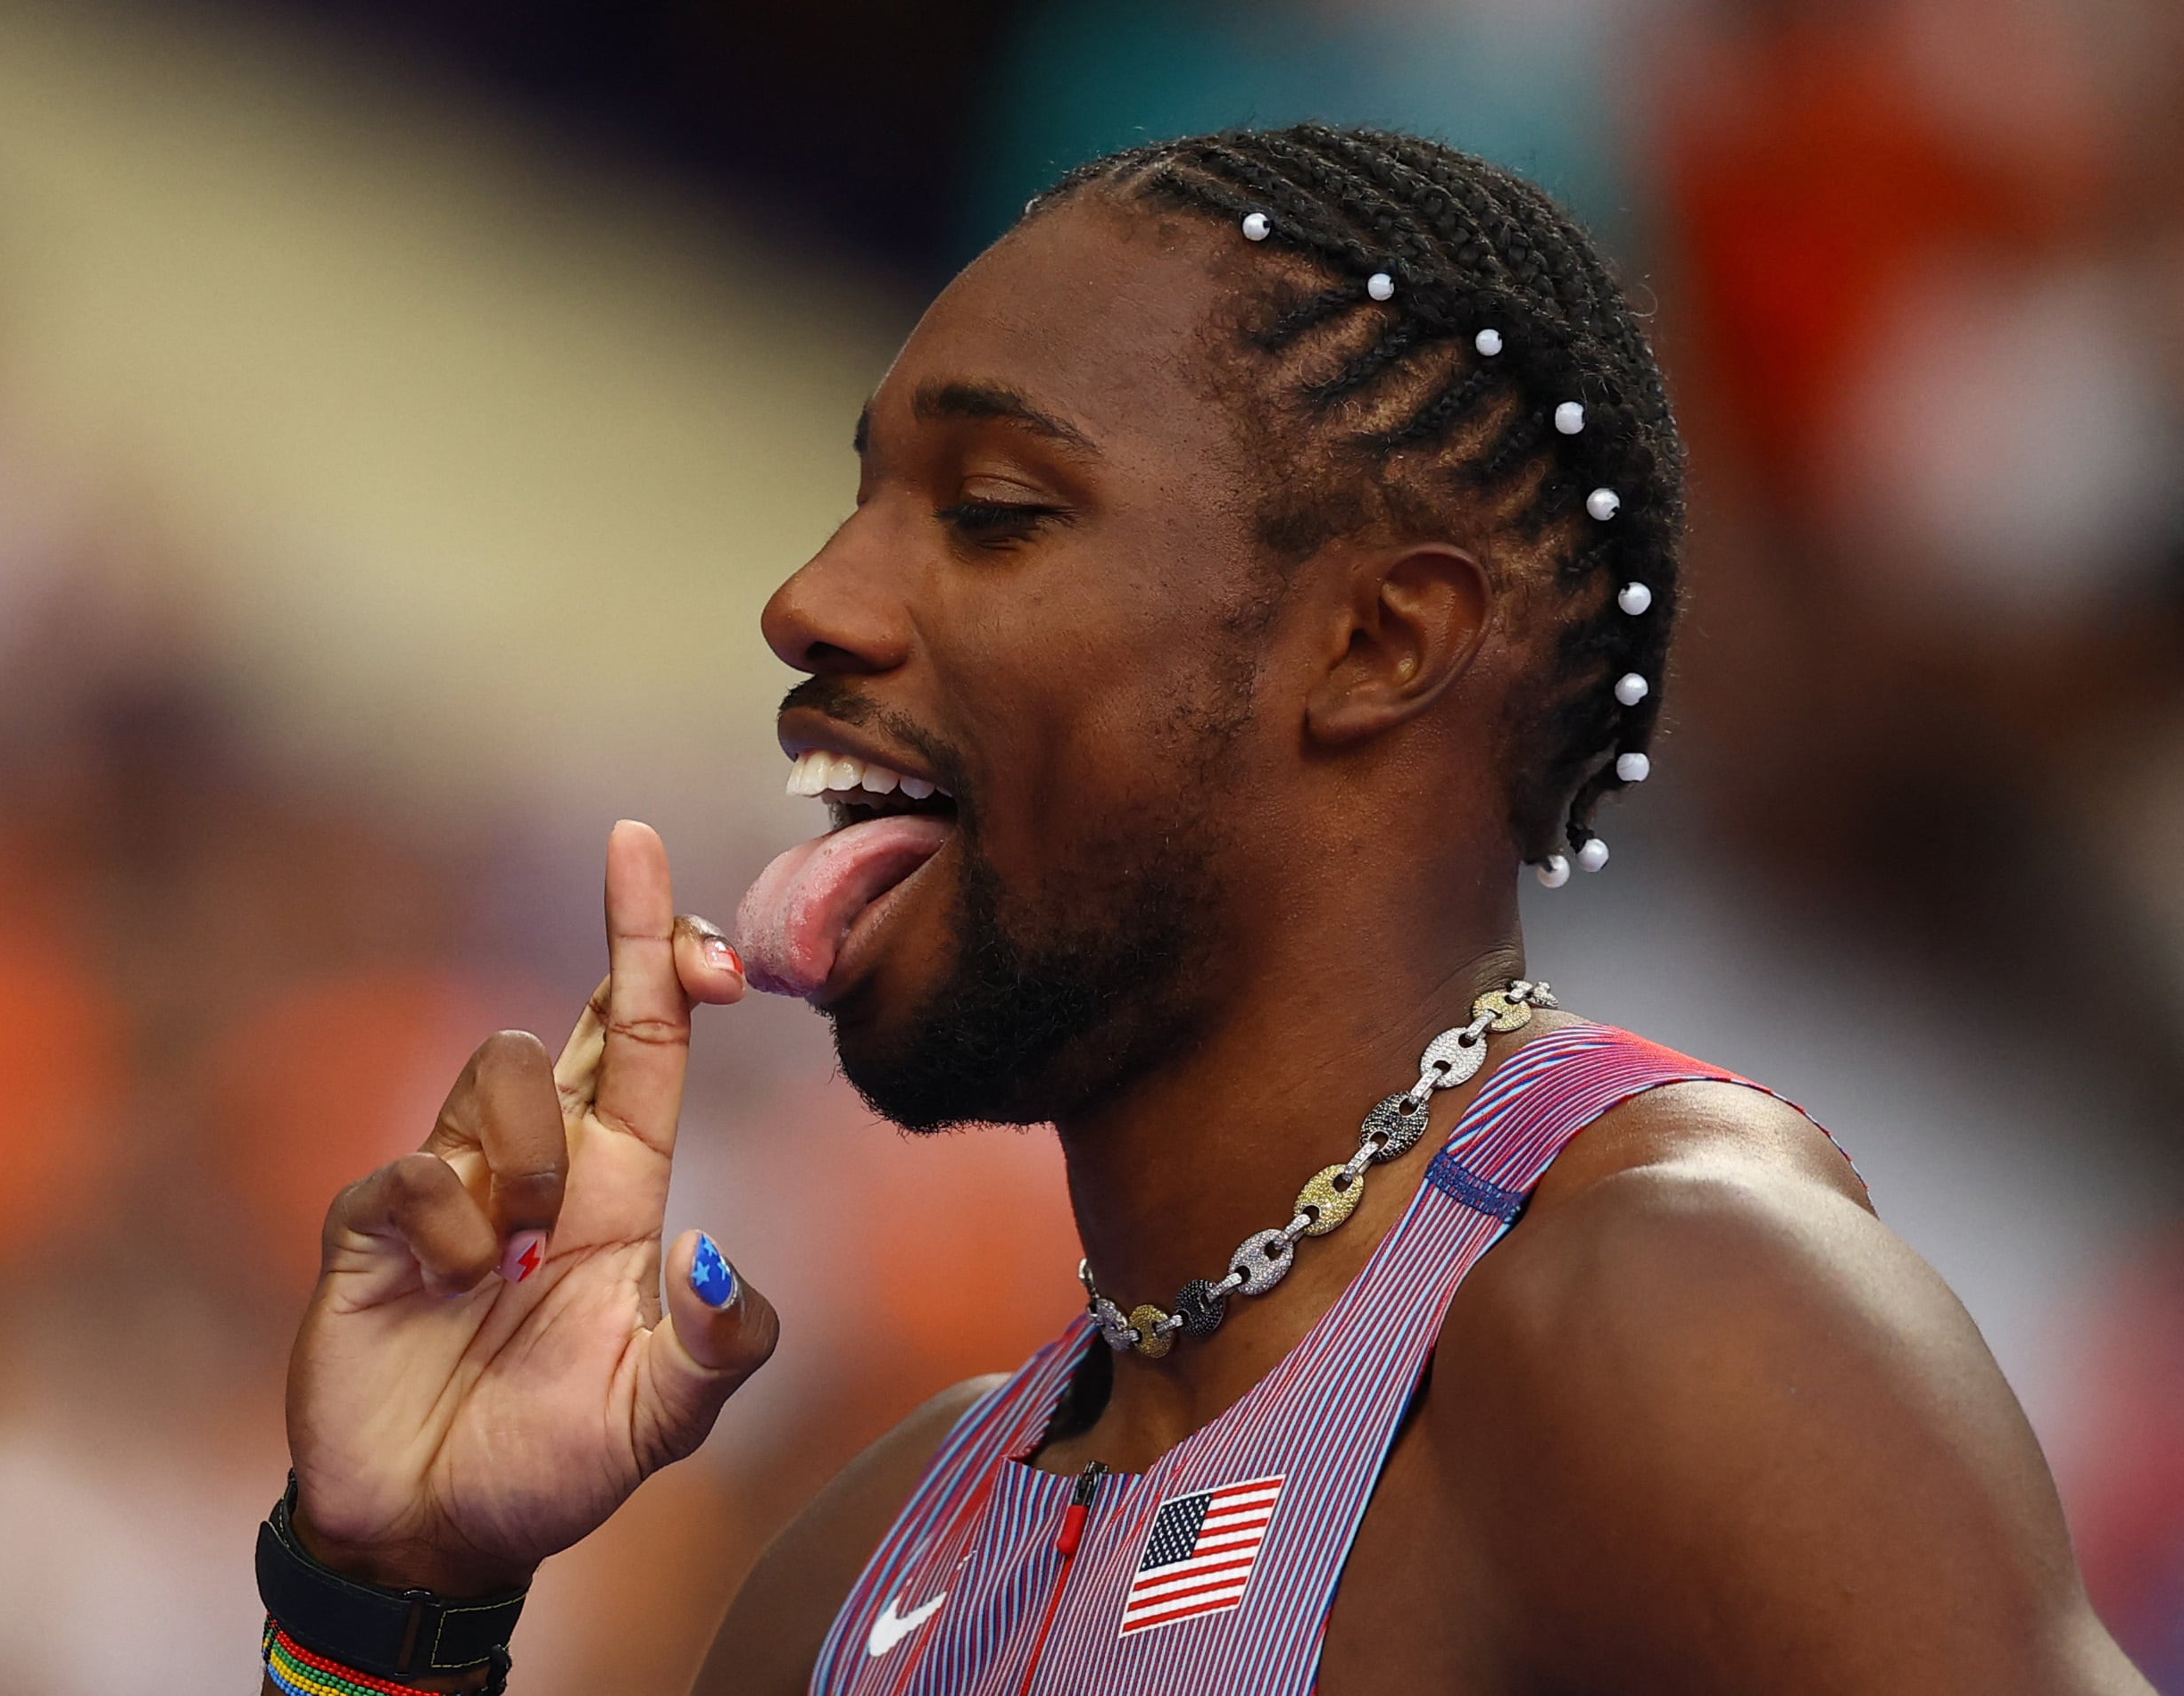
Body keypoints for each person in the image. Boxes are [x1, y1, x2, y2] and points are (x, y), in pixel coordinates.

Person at [254, 125, 2151, 1695]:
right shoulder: (865, 1567)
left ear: (1377, 640)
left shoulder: (1675, 1320)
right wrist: (385, 1597)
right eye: (863, 498)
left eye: (992, 510)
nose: (812, 598)